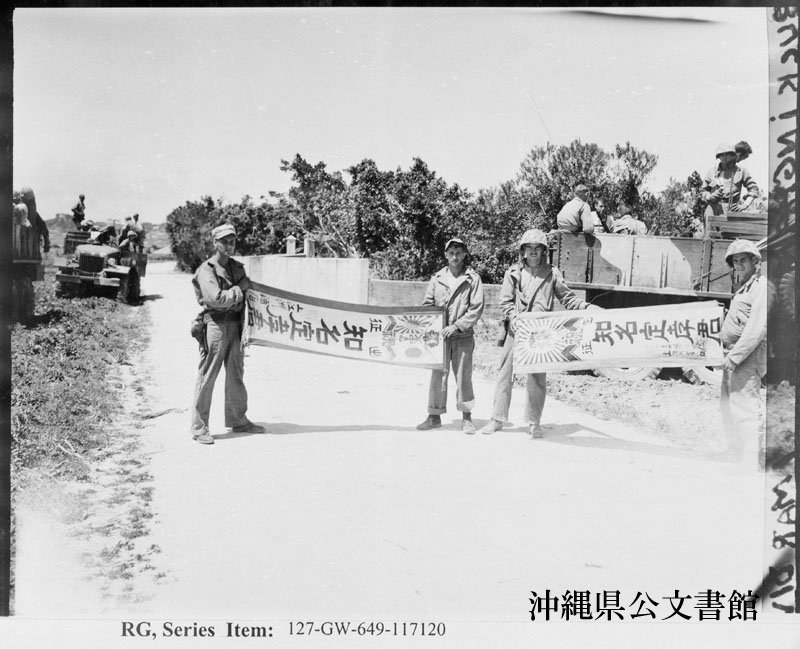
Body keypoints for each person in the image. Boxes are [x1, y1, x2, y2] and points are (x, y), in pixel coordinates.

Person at [479, 229, 597, 439]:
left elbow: (568, 298)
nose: (533, 251)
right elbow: (505, 302)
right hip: (516, 331)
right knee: (505, 375)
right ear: (523, 250)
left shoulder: (552, 273)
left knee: (537, 378)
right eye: (529, 247)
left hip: (541, 334)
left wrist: (588, 307)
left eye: (538, 248)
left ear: (544, 251)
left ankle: (534, 422)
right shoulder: (513, 273)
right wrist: (513, 317)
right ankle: (497, 418)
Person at [190, 223, 265, 445]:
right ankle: (199, 428)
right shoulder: (207, 270)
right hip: (216, 324)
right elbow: (216, 299)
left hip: (236, 324)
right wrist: (238, 290)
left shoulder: (237, 268)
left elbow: (247, 294)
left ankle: (238, 420)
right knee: (208, 376)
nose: (229, 245)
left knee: (236, 374)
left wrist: (237, 295)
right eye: (224, 241)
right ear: (215, 243)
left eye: (232, 241)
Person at [416, 237, 485, 434]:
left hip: (463, 336)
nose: (455, 257)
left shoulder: (473, 279)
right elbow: (428, 304)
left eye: (458, 253)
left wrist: (456, 326)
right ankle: (434, 416)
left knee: (464, 377)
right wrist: (436, 324)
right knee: (438, 375)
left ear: (464, 255)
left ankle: (467, 417)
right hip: (440, 338)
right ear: (446, 255)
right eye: (451, 253)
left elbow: (476, 308)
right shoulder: (437, 278)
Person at [717, 239, 769, 468]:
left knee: (745, 407)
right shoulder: (744, 285)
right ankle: (735, 452)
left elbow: (756, 328)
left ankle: (749, 461)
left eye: (743, 260)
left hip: (747, 357)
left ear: (755, 262)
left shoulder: (761, 288)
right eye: (735, 261)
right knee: (728, 406)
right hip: (733, 355)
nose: (738, 265)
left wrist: (735, 357)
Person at [701, 143, 760, 215]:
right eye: (721, 155)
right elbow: (703, 191)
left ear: (733, 155)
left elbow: (754, 189)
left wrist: (745, 204)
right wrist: (709, 196)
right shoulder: (711, 172)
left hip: (732, 210)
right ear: (718, 156)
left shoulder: (741, 171)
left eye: (727, 154)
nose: (724, 157)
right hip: (712, 209)